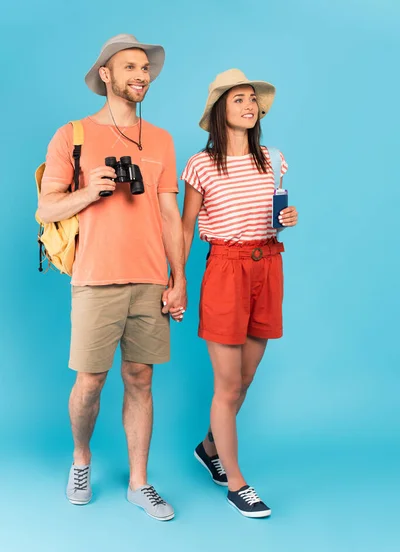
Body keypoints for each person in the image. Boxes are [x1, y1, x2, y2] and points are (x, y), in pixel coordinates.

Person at [38, 33, 186, 521]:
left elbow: (169, 213)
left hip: (149, 278)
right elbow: (47, 207)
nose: (140, 75)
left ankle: (139, 482)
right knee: (90, 382)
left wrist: (178, 276)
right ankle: (82, 459)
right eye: (129, 67)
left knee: (140, 379)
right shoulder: (73, 134)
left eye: (145, 68)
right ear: (106, 74)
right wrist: (90, 191)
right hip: (95, 277)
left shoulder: (161, 139)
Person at [180, 69, 298, 518]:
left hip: (268, 265)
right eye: (238, 100)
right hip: (226, 270)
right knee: (227, 386)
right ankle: (237, 483)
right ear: (219, 111)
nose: (249, 106)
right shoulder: (200, 164)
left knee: (243, 381)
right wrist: (178, 280)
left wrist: (288, 219)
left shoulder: (274, 158)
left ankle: (208, 447)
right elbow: (186, 225)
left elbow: (276, 211)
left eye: (253, 99)